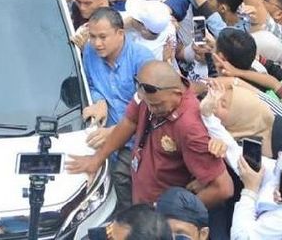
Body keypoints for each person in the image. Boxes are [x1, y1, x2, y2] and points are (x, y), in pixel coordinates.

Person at [67, 60, 233, 208]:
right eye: (148, 104)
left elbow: (222, 188)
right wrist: (97, 159)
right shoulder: (147, 94)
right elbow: (129, 122)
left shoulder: (190, 126)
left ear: (177, 93)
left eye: (158, 105)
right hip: (140, 197)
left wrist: (169, 215)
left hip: (159, 217)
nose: (151, 109)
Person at [80, 7, 155, 209]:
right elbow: (91, 84)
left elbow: (152, 109)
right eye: (93, 36)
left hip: (137, 142)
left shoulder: (143, 59)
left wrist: (116, 133)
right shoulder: (89, 51)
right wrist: (99, 101)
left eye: (103, 37)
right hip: (103, 138)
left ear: (120, 33)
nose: (97, 43)